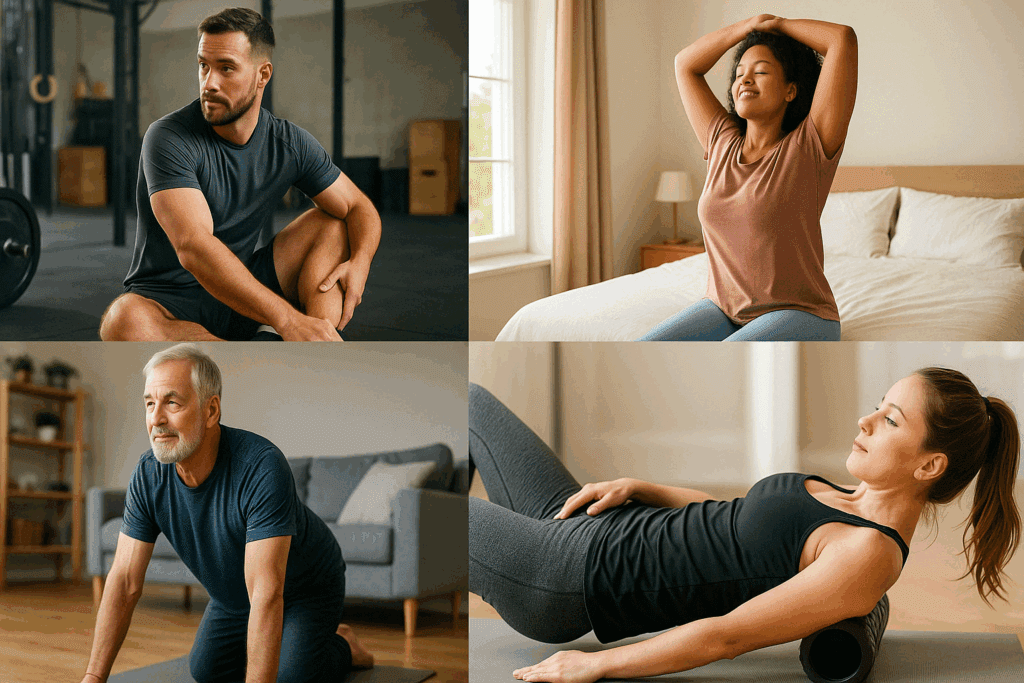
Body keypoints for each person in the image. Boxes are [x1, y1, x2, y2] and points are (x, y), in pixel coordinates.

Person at [468, 368, 1021, 683]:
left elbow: (728, 633)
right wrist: (642, 486)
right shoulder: (849, 497)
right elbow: (732, 524)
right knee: (469, 402)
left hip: (566, 574)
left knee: (422, 512)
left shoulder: (867, 555)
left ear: (929, 465)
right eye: (879, 405)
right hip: (589, 521)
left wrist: (599, 665)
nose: (866, 420)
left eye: (891, 420)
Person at [80, 344, 374, 683]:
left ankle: (344, 646)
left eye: (172, 402)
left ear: (211, 410)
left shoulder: (261, 466)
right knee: (206, 671)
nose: (156, 419)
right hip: (236, 595)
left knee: (289, 678)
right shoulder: (148, 476)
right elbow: (124, 581)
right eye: (149, 403)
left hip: (306, 587)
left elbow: (267, 591)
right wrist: (93, 677)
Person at [100, 8, 380, 342]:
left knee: (334, 224)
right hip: (170, 304)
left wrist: (360, 264)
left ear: (263, 75)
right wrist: (287, 319)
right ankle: (271, 345)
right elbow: (194, 247)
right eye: (203, 65)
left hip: (245, 290)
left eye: (226, 68)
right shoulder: (167, 137)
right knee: (121, 321)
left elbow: (358, 207)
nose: (209, 83)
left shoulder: (289, 142)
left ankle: (315, 343)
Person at [638, 14, 857, 341]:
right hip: (722, 308)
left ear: (791, 91)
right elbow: (685, 64)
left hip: (800, 313)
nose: (745, 80)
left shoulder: (809, 146)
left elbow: (843, 39)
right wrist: (746, 29)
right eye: (739, 73)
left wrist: (777, 25)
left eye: (761, 72)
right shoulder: (721, 141)